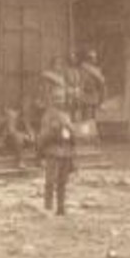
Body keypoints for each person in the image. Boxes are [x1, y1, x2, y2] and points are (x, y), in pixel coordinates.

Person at [36, 86, 77, 215]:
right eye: (57, 98)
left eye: (62, 98)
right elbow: (43, 136)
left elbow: (73, 136)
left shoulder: (66, 115)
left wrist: (71, 131)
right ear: (52, 100)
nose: (60, 101)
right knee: (50, 181)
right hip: (53, 151)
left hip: (66, 152)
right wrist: (55, 131)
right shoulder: (48, 115)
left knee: (62, 182)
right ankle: (48, 207)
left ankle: (61, 207)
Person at [76, 49, 107, 122]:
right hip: (86, 94)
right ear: (88, 59)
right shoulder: (83, 69)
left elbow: (101, 84)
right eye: (92, 58)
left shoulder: (97, 70)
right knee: (86, 116)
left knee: (93, 117)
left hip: (94, 94)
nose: (94, 59)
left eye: (95, 57)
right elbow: (81, 81)